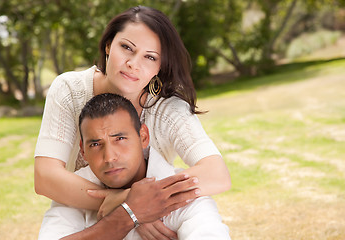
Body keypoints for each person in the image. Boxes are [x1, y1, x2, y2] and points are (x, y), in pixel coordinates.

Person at [34, 5, 231, 238]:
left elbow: (216, 174)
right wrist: (128, 206)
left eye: (150, 57)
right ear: (108, 45)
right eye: (127, 47)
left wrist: (145, 204)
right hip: (78, 209)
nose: (133, 63)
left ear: (159, 67)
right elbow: (45, 177)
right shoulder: (69, 90)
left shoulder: (167, 108)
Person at [38, 93, 231, 240]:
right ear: (82, 150)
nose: (109, 157)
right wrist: (129, 214)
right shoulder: (74, 195)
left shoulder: (185, 196)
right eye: (95, 144)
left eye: (120, 138)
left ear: (143, 137)